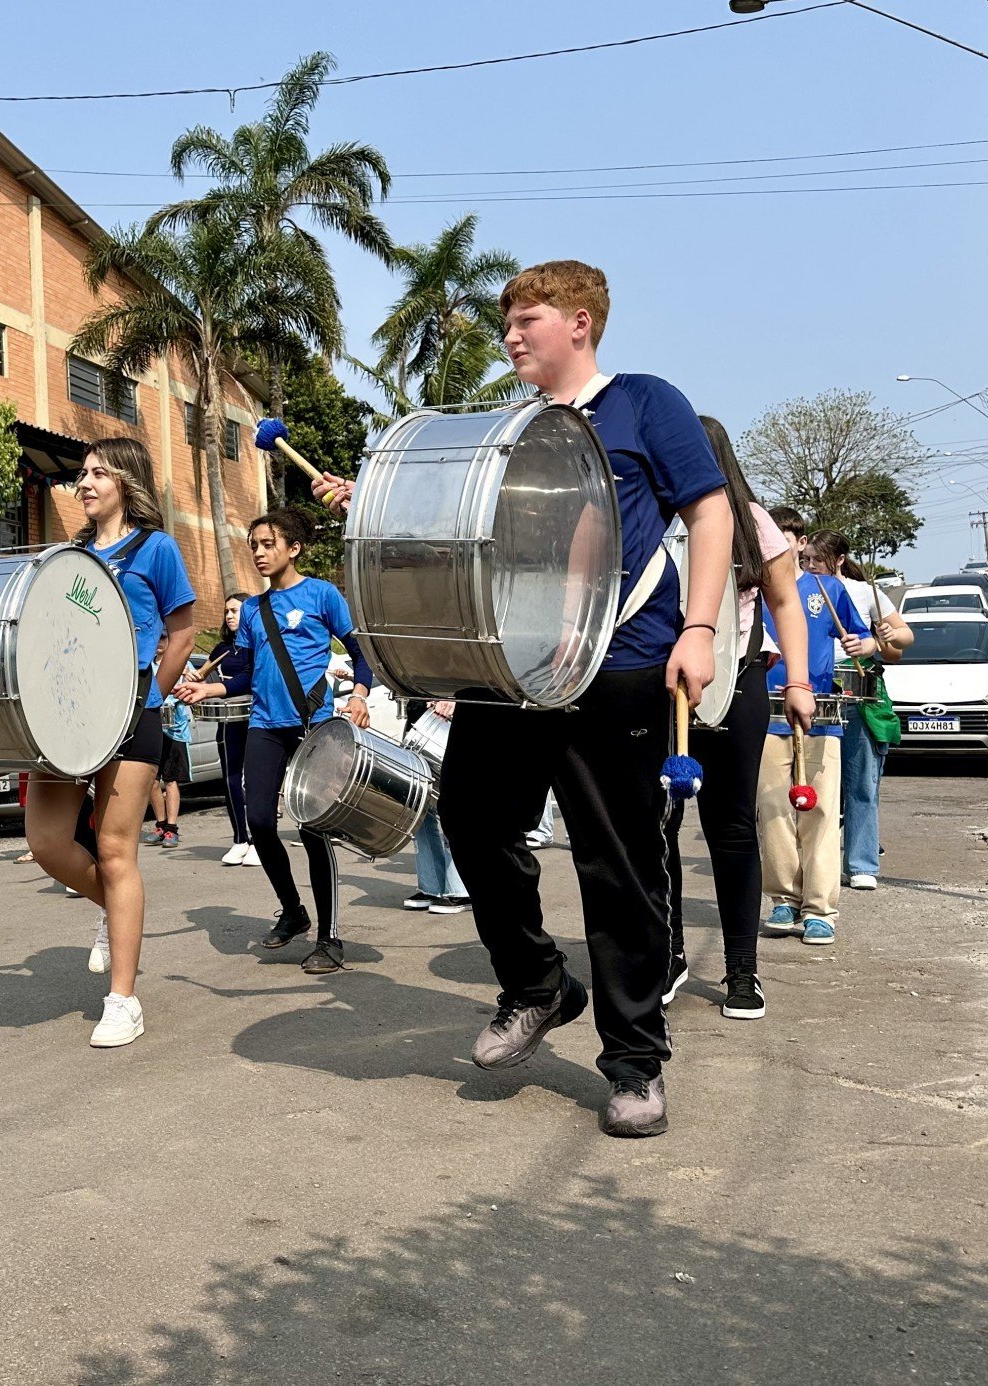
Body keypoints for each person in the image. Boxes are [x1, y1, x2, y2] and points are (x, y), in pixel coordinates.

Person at [314, 260, 754, 1137]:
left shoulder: (643, 403)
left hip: (620, 659)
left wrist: (698, 629)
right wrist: (376, 500)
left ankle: (634, 1061)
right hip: (510, 672)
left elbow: (710, 513)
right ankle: (539, 982)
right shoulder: (510, 428)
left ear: (582, 322)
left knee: (617, 864)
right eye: (508, 322)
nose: (511, 335)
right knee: (471, 820)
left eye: (528, 320)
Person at [24, 437, 196, 1048]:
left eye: (100, 472)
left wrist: (153, 693)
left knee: (115, 849)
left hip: (132, 716)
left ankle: (123, 999)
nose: (86, 481)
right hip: (65, 718)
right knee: (46, 842)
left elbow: (182, 630)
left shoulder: (157, 548)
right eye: (84, 473)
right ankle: (113, 909)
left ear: (128, 482)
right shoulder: (67, 555)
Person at [659, 418, 810, 1022]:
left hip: (738, 684)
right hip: (660, 690)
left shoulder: (750, 520)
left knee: (731, 830)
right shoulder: (650, 516)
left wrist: (797, 682)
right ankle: (668, 954)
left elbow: (785, 603)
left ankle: (743, 971)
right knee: (656, 827)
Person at [178, 508, 373, 975]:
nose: (259, 553)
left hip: (313, 724)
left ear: (293, 548)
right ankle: (293, 909)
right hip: (265, 724)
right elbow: (243, 672)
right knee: (260, 821)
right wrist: (209, 687)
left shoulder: (323, 595)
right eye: (254, 546)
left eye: (268, 544)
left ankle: (328, 938)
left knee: (312, 829)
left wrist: (361, 695)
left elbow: (362, 652)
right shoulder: (252, 609)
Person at [760, 551, 872, 946]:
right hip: (766, 716)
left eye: (784, 542)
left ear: (800, 543)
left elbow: (866, 637)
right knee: (773, 812)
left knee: (821, 811)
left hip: (821, 712)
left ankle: (820, 910)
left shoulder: (827, 588)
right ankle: (784, 900)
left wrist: (864, 645)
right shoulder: (753, 590)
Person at [806, 530, 910, 893]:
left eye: (818, 560)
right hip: (812, 688)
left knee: (861, 781)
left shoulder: (863, 592)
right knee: (812, 781)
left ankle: (862, 862)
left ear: (837, 560)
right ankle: (812, 861)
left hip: (854, 691)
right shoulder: (798, 588)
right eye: (806, 559)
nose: (810, 566)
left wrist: (877, 639)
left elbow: (903, 639)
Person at [403, 700, 468, 914]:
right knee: (420, 809)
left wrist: (455, 700)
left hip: (456, 718)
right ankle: (431, 886)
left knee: (454, 805)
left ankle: (460, 889)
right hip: (422, 717)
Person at [212, 593, 254, 866]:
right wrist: (197, 678)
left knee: (254, 782)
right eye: (226, 611)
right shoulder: (219, 650)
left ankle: (259, 841)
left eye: (235, 610)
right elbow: (208, 678)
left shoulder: (256, 647)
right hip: (227, 721)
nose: (229, 616)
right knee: (230, 779)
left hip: (255, 720)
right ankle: (240, 838)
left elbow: (251, 677)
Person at [146, 689, 194, 849]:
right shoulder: (148, 666)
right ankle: (161, 824)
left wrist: (189, 680)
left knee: (171, 780)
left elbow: (198, 687)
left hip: (176, 730)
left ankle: (172, 829)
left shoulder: (182, 667)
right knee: (151, 780)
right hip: (153, 728)